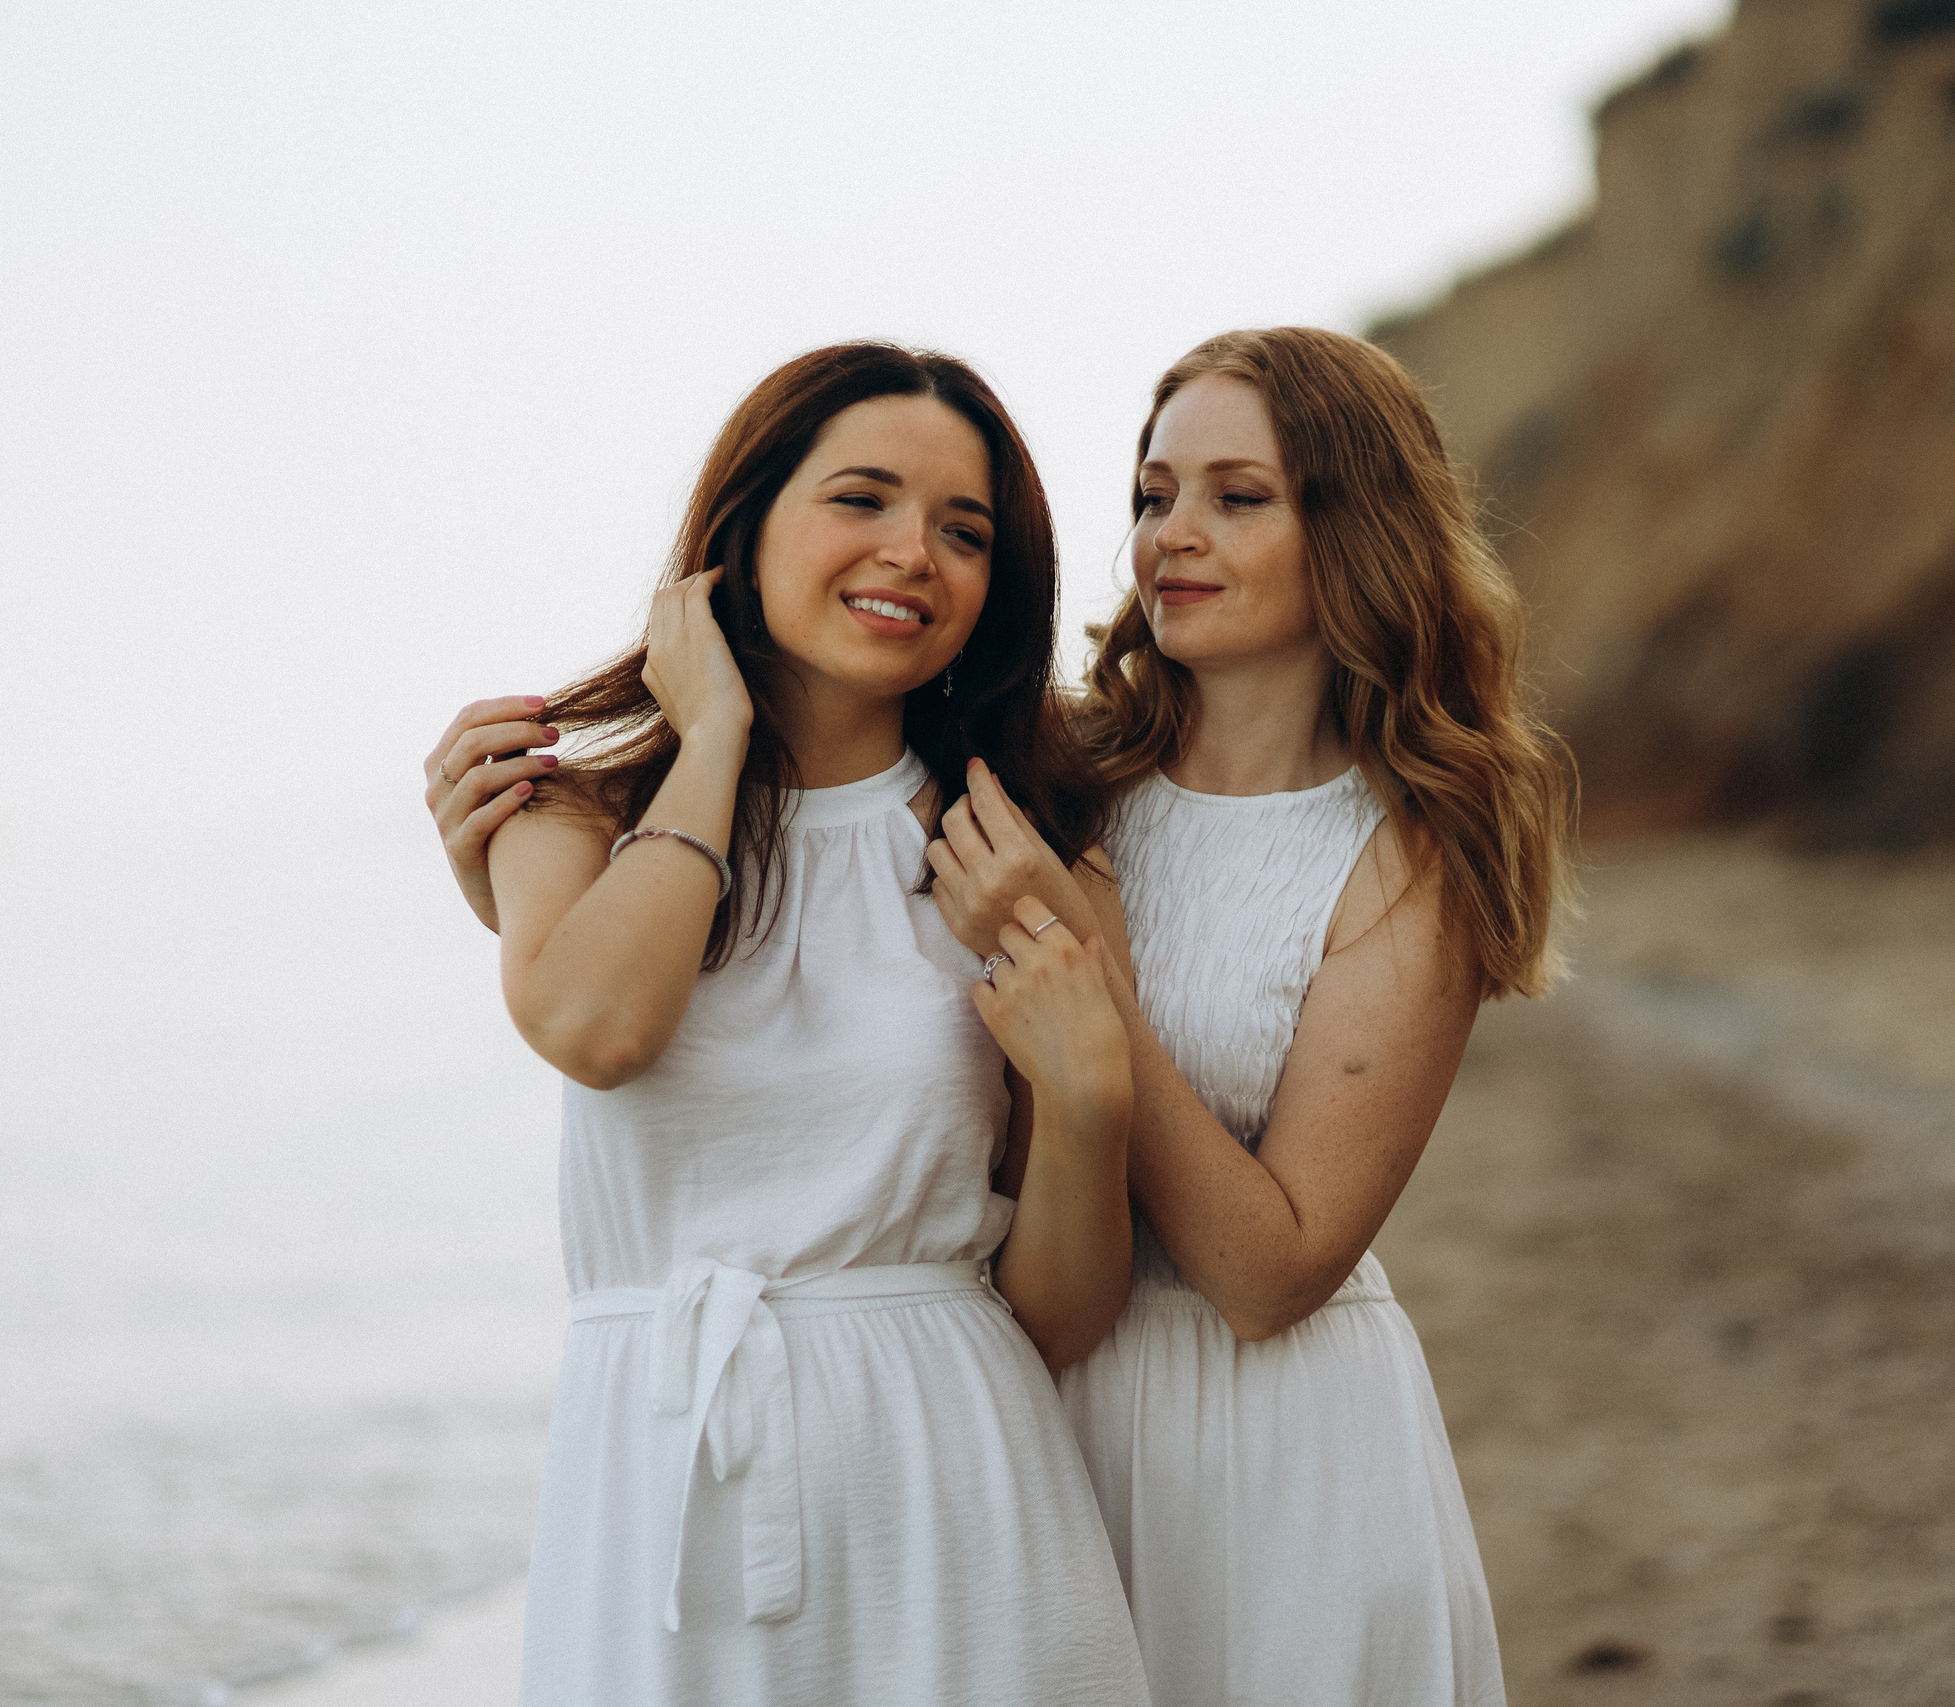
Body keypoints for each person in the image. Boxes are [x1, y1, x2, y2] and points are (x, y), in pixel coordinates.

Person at [430, 327, 1571, 1706]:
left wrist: (1086, 1017)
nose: (1172, 539)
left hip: (1233, 1433)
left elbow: (1263, 1268)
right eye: (1152, 496)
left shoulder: (1170, 847)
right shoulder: (1064, 781)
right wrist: (531, 878)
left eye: (1238, 496)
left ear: (1361, 531)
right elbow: (691, 995)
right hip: (985, 1420)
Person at [447, 342, 1149, 1706]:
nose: (913, 554)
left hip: (949, 1492)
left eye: (965, 531)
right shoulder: (567, 817)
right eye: (862, 500)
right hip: (663, 1487)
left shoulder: (1018, 856)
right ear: (745, 526)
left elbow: (1057, 1317)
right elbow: (598, 1028)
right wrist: (708, 740)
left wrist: (1090, 1107)